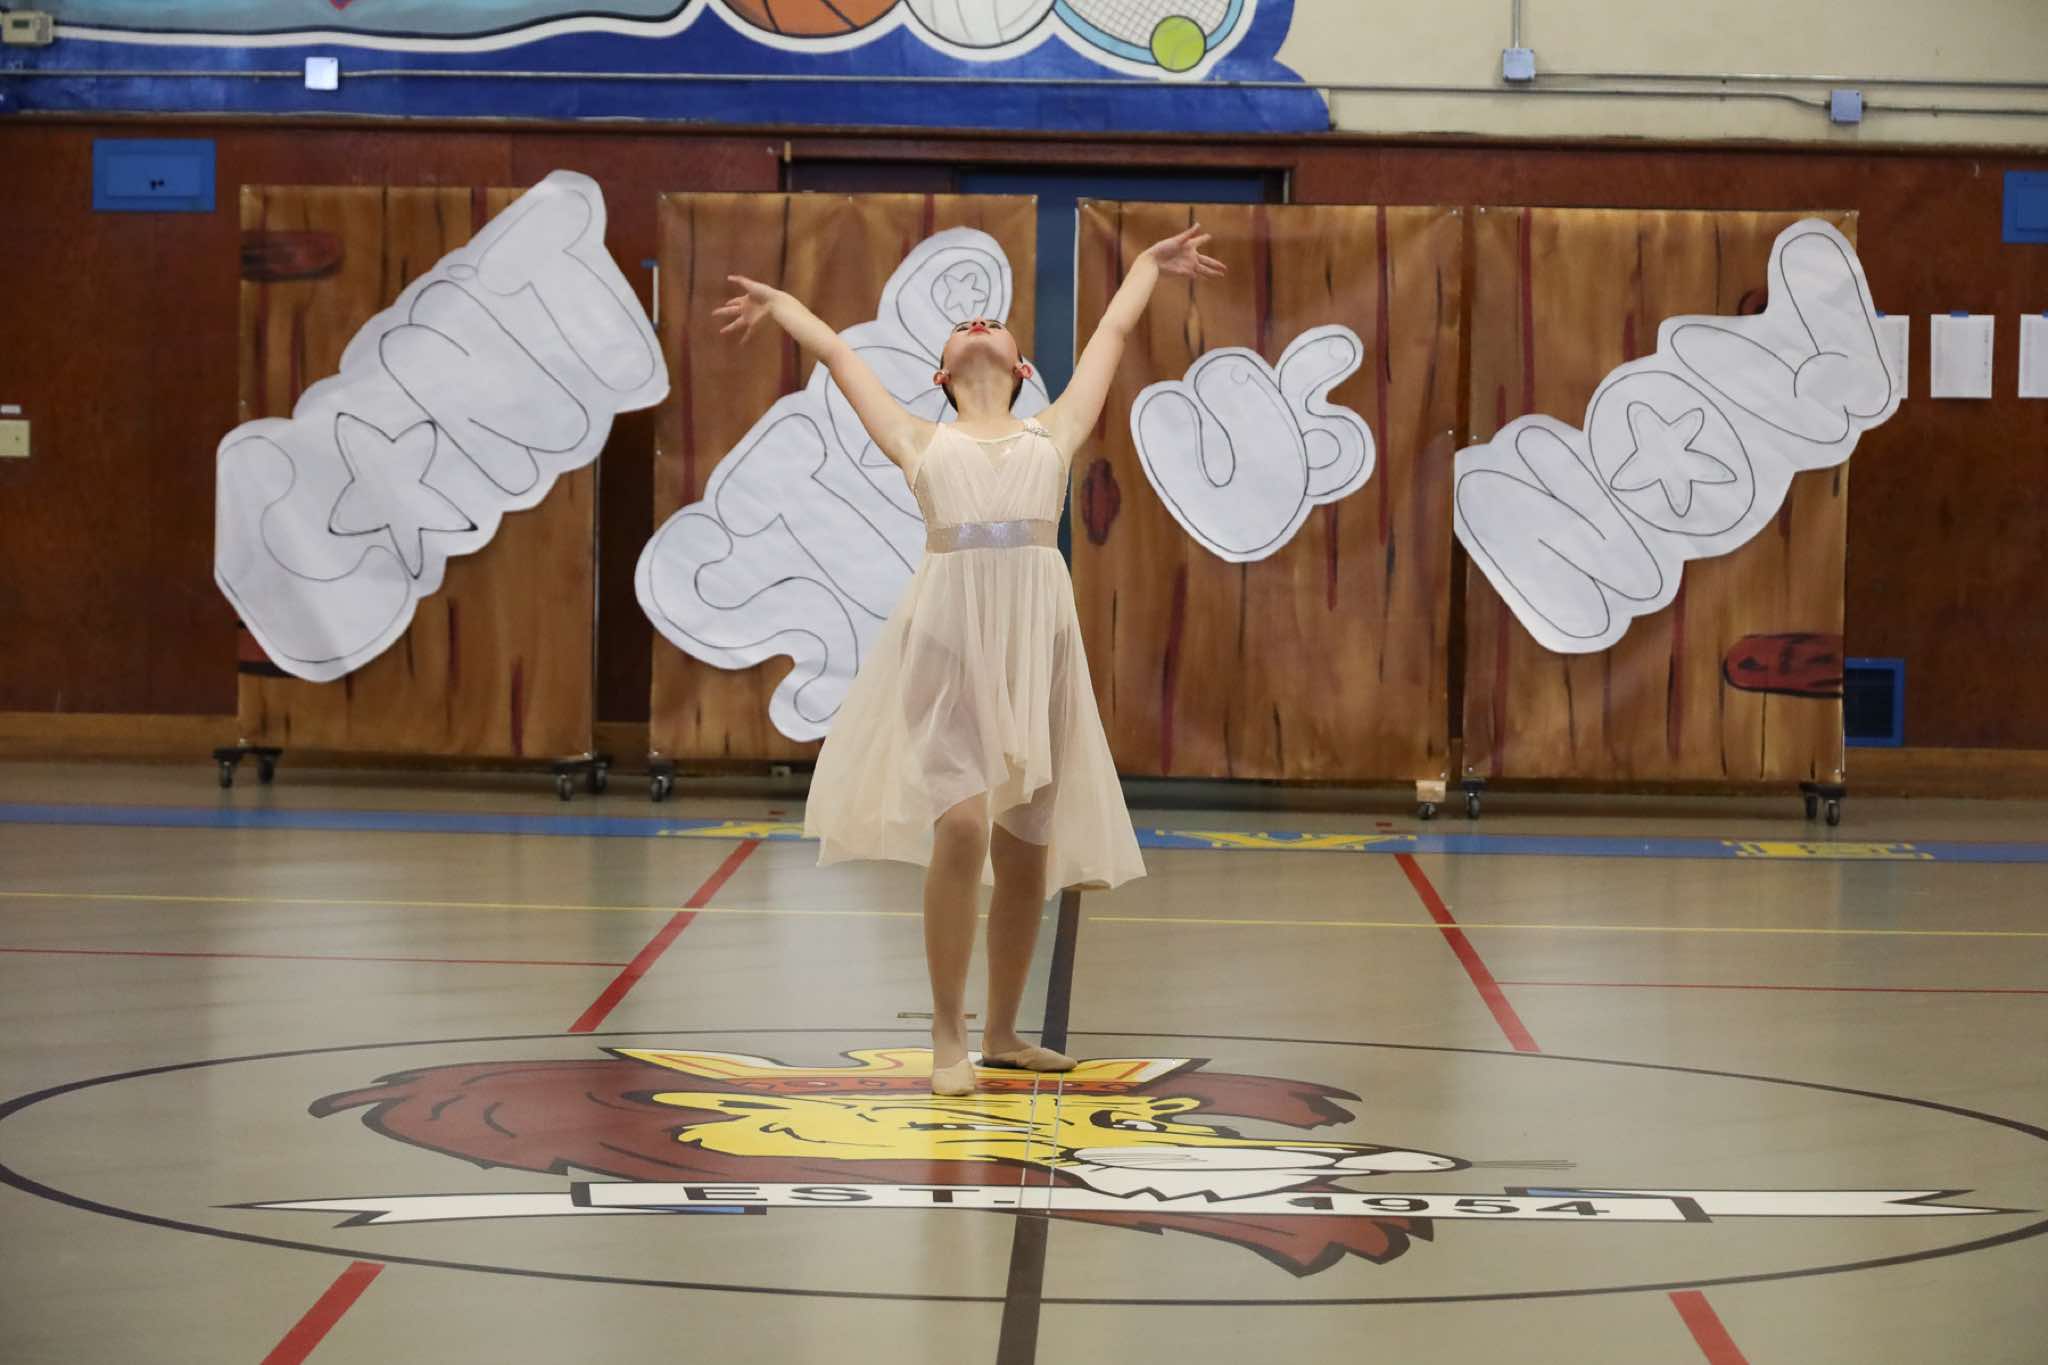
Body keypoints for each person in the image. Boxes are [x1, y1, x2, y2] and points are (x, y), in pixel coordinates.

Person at [715, 224, 1226, 1095]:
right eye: (962, 326)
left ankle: (1002, 1033)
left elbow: (1111, 332)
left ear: (1023, 366)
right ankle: (947, 1030)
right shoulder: (920, 440)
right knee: (959, 824)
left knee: (1025, 843)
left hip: (1036, 645)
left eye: (991, 321)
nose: (978, 322)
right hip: (949, 642)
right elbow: (838, 354)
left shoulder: (1055, 430)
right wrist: (784, 305)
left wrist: (1145, 265)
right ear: (941, 375)